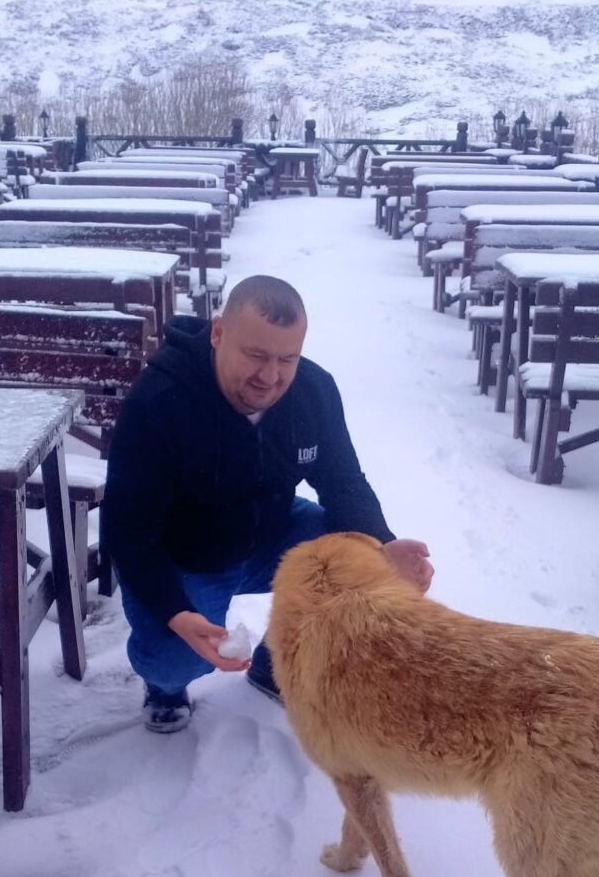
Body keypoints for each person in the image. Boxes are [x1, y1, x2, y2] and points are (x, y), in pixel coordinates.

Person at [101, 274, 433, 733]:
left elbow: (342, 482)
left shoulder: (313, 392)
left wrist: (381, 546)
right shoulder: (160, 402)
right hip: (184, 556)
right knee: (174, 660)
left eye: (286, 359)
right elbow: (128, 529)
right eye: (255, 355)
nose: (270, 376)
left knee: (355, 560)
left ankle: (274, 659)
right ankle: (164, 686)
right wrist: (178, 614)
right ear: (218, 334)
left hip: (271, 531)